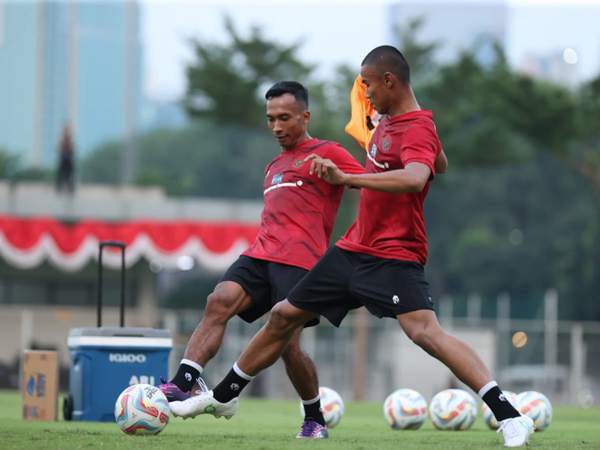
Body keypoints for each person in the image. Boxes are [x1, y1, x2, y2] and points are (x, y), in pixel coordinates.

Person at [169, 46, 535, 448]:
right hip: (352, 248)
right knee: (282, 317)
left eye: (368, 84)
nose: (365, 92)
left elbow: (416, 178)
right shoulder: (392, 122)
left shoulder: (414, 127)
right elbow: (440, 163)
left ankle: (509, 415)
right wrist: (401, 135)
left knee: (425, 334)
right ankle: (221, 398)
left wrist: (349, 178)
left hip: (394, 253)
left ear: (389, 81)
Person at [158, 81, 365, 439]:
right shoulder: (272, 166)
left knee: (289, 346)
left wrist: (347, 195)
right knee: (217, 300)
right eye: (271, 119)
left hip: (301, 262)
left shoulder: (328, 151)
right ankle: (183, 383)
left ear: (305, 116)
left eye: (285, 118)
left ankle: (314, 419)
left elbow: (372, 184)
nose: (277, 127)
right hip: (259, 254)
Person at [56, 123, 75, 193]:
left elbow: (72, 150)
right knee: (61, 174)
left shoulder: (70, 141)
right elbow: (59, 149)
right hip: (63, 159)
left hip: (69, 160)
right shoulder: (62, 140)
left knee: (70, 174)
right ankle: (59, 187)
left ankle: (70, 188)